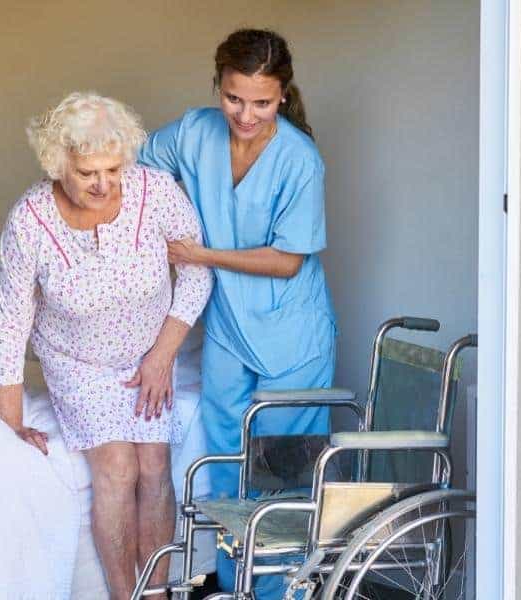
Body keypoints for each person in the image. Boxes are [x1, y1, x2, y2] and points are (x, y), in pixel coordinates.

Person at [0, 91, 212, 600]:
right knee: (117, 467)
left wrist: (162, 356)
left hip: (149, 353)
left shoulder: (155, 192)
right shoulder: (30, 219)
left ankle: (156, 593)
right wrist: (12, 418)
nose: (104, 183)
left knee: (154, 464)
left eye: (113, 169)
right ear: (58, 162)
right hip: (77, 361)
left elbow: (196, 271)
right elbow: (11, 317)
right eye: (89, 172)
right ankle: (121, 594)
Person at [140, 29, 336, 598]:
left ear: (282, 96)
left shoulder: (300, 159)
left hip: (292, 338)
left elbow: (286, 261)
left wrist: (199, 254)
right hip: (228, 329)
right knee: (226, 467)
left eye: (261, 102)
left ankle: (275, 593)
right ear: (218, 87)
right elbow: (137, 172)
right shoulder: (194, 131)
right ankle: (230, 587)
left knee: (280, 481)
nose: (245, 115)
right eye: (234, 98)